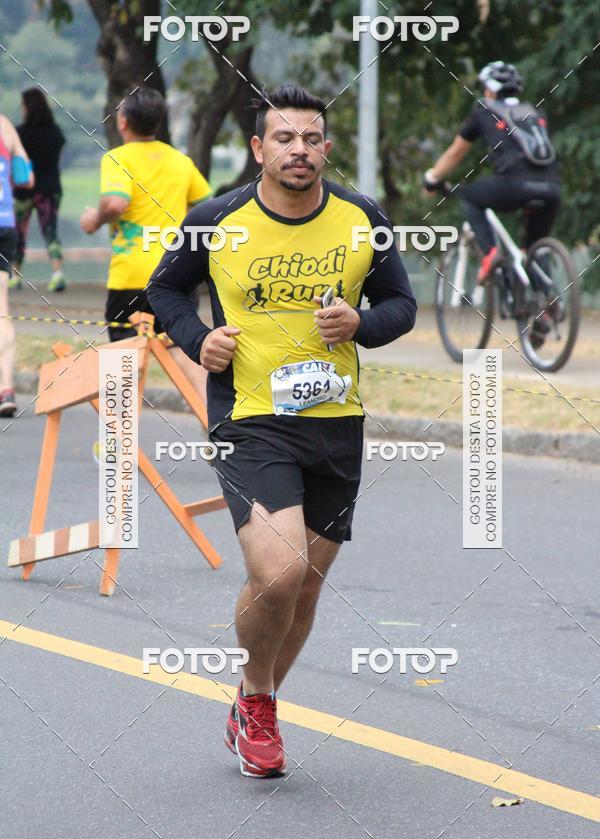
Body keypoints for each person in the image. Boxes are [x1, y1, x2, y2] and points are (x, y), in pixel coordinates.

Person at [148, 84, 417, 778]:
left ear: (325, 148)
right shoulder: (216, 219)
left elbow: (401, 307)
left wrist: (362, 324)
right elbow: (165, 290)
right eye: (285, 139)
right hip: (251, 418)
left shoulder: (363, 219)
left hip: (338, 423)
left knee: (303, 589)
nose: (299, 150)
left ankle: (252, 701)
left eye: (311, 138)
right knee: (278, 570)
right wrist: (196, 339)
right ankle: (261, 700)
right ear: (259, 149)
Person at [80, 86, 211, 395]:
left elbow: (115, 203)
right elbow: (208, 206)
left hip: (132, 278)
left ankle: (120, 442)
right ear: (158, 121)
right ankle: (219, 431)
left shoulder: (117, 158)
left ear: (123, 122)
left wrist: (94, 219)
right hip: (178, 275)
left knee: (123, 358)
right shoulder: (181, 161)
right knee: (184, 352)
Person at [423, 61, 561, 346]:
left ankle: (489, 255)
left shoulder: (482, 110)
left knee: (469, 196)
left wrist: (432, 177)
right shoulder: (534, 111)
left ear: (489, 88)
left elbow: (456, 152)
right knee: (534, 246)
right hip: (551, 188)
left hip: (513, 186)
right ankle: (546, 304)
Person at [10, 88, 66, 292]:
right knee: (50, 230)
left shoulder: (20, 133)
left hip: (24, 189)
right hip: (50, 189)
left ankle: (15, 276)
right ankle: (57, 273)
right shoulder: (55, 132)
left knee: (18, 233)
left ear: (28, 108)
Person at [0, 113, 34, 417]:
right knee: (2, 310)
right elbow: (26, 179)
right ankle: (6, 389)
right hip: (4, 223)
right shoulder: (5, 125)